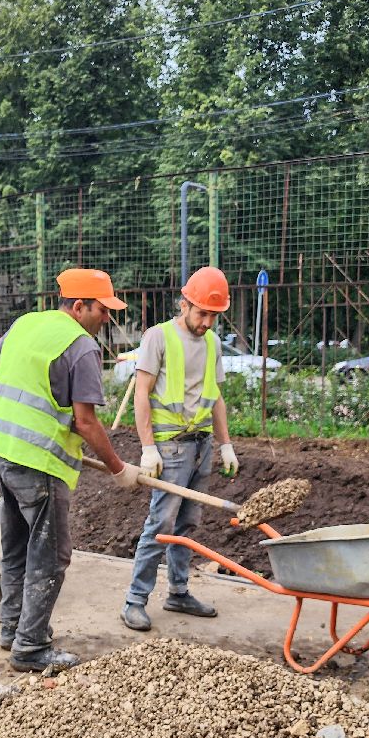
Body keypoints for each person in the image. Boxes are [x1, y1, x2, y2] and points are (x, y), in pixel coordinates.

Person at [0, 268, 142, 673]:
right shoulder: (81, 347)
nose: (107, 318)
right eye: (102, 309)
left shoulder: (26, 324)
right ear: (79, 306)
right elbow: (85, 422)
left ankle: (12, 630)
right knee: (49, 556)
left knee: (15, 549)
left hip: (1, 453)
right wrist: (119, 470)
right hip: (39, 465)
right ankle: (30, 648)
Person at [120, 266, 238, 631]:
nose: (206, 322)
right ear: (184, 304)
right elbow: (142, 393)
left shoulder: (213, 343)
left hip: (201, 446)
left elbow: (215, 397)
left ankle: (178, 592)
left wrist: (226, 444)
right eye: (202, 313)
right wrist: (147, 448)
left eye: (214, 316)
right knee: (160, 523)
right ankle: (134, 601)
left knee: (187, 523)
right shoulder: (158, 337)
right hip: (169, 448)